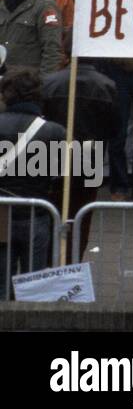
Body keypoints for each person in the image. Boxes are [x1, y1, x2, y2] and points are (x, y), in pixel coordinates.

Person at [0, 67, 68, 297]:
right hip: (36, 213)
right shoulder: (54, 131)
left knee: (1, 280)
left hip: (1, 214)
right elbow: (70, 172)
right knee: (34, 285)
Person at [0, 0, 62, 78]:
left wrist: (45, 85)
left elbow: (52, 50)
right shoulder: (3, 4)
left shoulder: (44, 6)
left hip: (28, 85)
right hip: (4, 82)